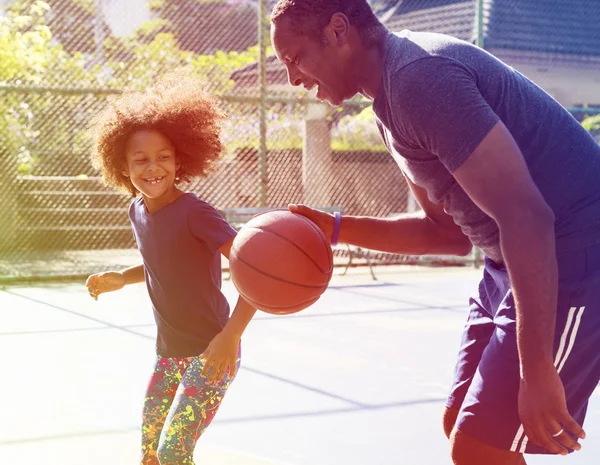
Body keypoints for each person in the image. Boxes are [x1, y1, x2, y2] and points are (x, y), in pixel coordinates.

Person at [270, 1, 600, 463]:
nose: (293, 78)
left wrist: (537, 369)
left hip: (574, 251)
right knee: (461, 427)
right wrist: (336, 229)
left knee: (479, 445)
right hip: (510, 257)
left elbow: (529, 217)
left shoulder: (418, 81)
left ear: (338, 30)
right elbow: (445, 234)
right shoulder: (389, 100)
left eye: (295, 58)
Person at [85, 72, 257, 465]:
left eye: (163, 157)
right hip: (168, 353)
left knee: (174, 452)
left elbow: (255, 271)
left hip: (213, 353)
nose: (153, 167)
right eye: (140, 159)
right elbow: (158, 260)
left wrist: (231, 336)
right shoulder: (137, 209)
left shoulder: (195, 213)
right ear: (122, 167)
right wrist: (121, 279)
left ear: (180, 160)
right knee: (150, 452)